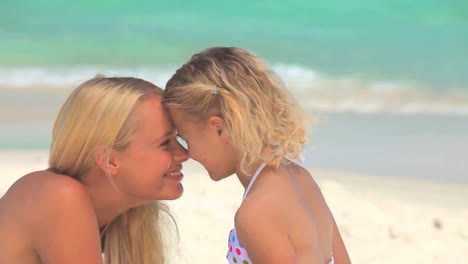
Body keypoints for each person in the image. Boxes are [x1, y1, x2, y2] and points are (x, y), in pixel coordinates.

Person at [163, 47, 351, 264]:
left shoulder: (255, 214)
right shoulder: (300, 176)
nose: (186, 153)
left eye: (186, 138)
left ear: (219, 129)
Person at [0, 76, 189, 264]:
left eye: (177, 138)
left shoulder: (128, 217)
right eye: (165, 143)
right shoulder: (59, 196)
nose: (183, 154)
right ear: (109, 160)